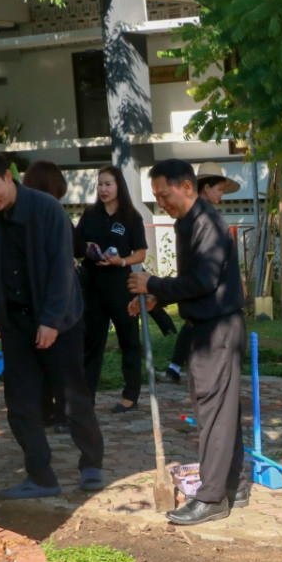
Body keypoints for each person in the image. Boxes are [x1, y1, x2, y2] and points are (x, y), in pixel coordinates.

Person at [0, 149, 105, 499]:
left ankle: (91, 463)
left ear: (8, 177)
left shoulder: (47, 209)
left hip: (60, 320)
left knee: (72, 398)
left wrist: (50, 321)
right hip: (13, 323)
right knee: (21, 404)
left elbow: (61, 270)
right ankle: (41, 476)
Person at [127, 159, 249, 525]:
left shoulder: (207, 223)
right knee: (221, 410)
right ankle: (235, 484)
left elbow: (204, 281)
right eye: (156, 197)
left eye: (165, 194)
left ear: (186, 187)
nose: (161, 202)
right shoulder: (187, 223)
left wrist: (153, 283)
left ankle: (212, 499)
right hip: (205, 326)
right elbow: (194, 282)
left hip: (218, 329)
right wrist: (157, 297)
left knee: (212, 412)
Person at [159, 162, 240, 384]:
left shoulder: (209, 220)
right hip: (201, 302)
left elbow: (210, 274)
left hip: (214, 310)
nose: (221, 194)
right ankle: (176, 367)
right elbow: (197, 276)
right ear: (206, 188)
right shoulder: (189, 221)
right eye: (219, 189)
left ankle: (176, 368)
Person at [75, 166, 146, 413]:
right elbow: (76, 244)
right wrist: (86, 248)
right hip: (92, 285)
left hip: (120, 284)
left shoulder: (131, 217)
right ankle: (87, 398)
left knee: (129, 339)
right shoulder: (90, 214)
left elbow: (140, 253)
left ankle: (130, 395)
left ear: (119, 187)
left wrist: (121, 261)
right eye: (100, 184)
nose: (103, 189)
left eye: (108, 184)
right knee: (91, 342)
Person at [22, 159, 73, 433]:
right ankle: (63, 414)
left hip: (31, 300)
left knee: (41, 362)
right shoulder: (54, 215)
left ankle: (45, 412)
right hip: (58, 302)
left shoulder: (24, 216)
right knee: (60, 363)